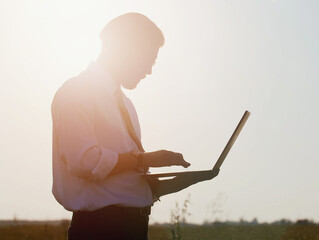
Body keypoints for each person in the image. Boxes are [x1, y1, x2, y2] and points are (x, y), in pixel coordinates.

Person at [51, 12, 218, 240]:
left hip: (134, 227)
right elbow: (85, 161)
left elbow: (122, 181)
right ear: (127, 49)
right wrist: (145, 159)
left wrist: (169, 185)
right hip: (100, 231)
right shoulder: (77, 91)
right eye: (148, 58)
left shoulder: (125, 104)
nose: (149, 70)